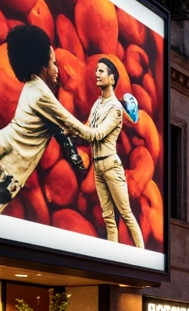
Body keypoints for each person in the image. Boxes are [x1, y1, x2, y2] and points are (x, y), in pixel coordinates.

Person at [0, 26, 106, 211]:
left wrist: (73, 153)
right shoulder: (41, 93)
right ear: (43, 67)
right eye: (53, 63)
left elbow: (60, 129)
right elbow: (76, 127)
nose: (57, 69)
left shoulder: (33, 89)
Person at [86, 58, 145, 247]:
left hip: (111, 165)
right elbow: (87, 126)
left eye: (101, 71)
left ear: (112, 78)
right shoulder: (97, 104)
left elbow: (98, 133)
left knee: (126, 213)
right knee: (108, 217)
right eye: (96, 70)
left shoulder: (115, 107)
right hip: (98, 166)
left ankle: (143, 257)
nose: (97, 74)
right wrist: (67, 127)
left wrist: (73, 127)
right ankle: (113, 257)